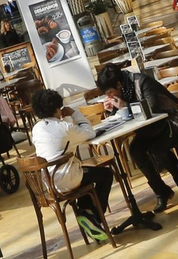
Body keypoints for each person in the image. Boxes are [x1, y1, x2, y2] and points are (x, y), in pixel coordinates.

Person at [29, 88, 114, 242]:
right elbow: (89, 133)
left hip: (49, 182)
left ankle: (87, 213)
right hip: (67, 179)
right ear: (57, 108)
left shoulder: (37, 129)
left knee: (87, 176)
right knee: (105, 174)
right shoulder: (64, 128)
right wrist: (74, 113)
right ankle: (94, 218)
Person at [96, 63, 178, 214]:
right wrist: (112, 111)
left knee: (158, 149)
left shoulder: (142, 82)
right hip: (150, 130)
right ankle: (161, 191)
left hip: (171, 122)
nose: (109, 96)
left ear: (118, 83)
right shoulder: (122, 91)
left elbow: (153, 108)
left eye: (110, 92)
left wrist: (125, 105)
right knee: (135, 150)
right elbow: (127, 116)